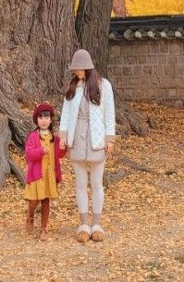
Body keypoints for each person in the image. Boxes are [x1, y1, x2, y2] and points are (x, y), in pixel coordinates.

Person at [58, 48, 116, 243]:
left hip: (96, 137)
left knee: (97, 183)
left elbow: (109, 113)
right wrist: (63, 136)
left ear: (87, 67)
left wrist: (109, 139)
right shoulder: (73, 87)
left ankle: (97, 223)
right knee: (81, 184)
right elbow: (66, 114)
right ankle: (83, 222)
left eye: (80, 69)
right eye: (75, 70)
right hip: (77, 138)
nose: (77, 73)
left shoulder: (103, 86)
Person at [24, 101, 66, 240]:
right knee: (34, 200)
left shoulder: (54, 137)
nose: (44, 121)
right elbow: (29, 154)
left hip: (49, 175)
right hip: (37, 175)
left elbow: (60, 154)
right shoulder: (33, 136)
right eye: (41, 118)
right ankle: (30, 216)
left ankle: (43, 229)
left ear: (50, 119)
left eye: (46, 117)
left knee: (46, 201)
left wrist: (62, 145)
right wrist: (41, 151)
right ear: (37, 120)